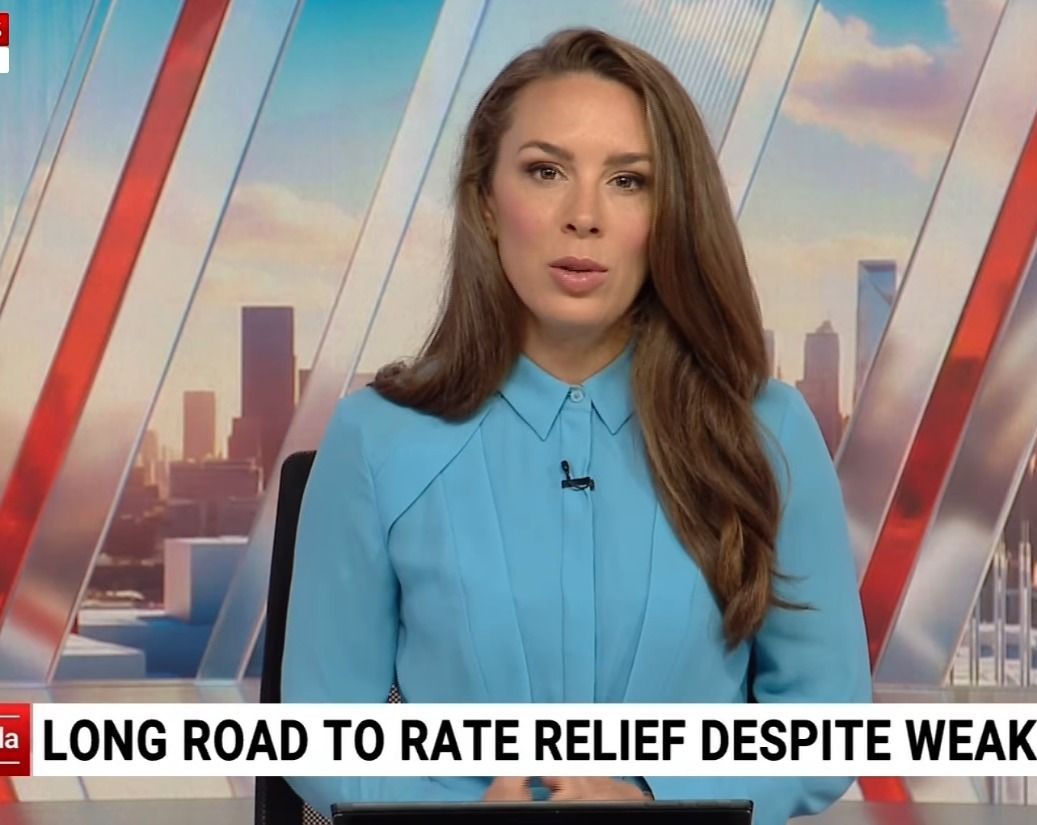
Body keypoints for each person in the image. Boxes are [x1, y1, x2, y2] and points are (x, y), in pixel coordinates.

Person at [283, 27, 871, 824]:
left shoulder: (769, 432)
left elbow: (824, 726)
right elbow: (323, 737)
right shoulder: (374, 438)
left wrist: (653, 801)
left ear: (670, 214)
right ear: (486, 202)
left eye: (628, 181)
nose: (583, 216)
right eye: (545, 172)